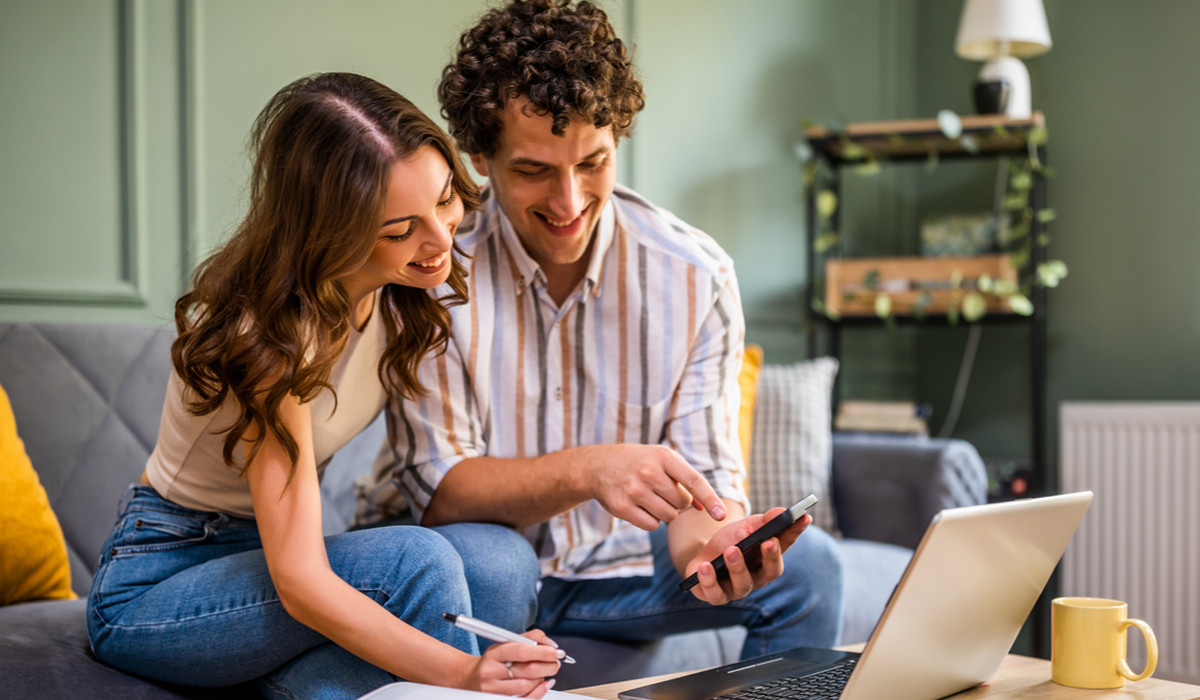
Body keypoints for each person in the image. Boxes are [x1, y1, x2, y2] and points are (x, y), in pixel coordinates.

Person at [356, 0, 844, 663]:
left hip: (613, 568)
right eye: (533, 170)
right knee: (494, 564)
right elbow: (441, 492)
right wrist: (592, 469)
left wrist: (716, 551)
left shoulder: (695, 277)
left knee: (812, 568)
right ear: (477, 158)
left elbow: (700, 488)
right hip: (473, 565)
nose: (569, 201)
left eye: (593, 163)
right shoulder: (434, 269)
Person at [85, 72, 561, 700]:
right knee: (417, 563)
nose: (441, 240)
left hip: (269, 563)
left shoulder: (400, 295)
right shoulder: (267, 335)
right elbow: (302, 579)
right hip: (164, 580)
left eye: (445, 200)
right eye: (399, 230)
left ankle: (292, 681)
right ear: (327, 228)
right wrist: (467, 672)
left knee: (498, 564)